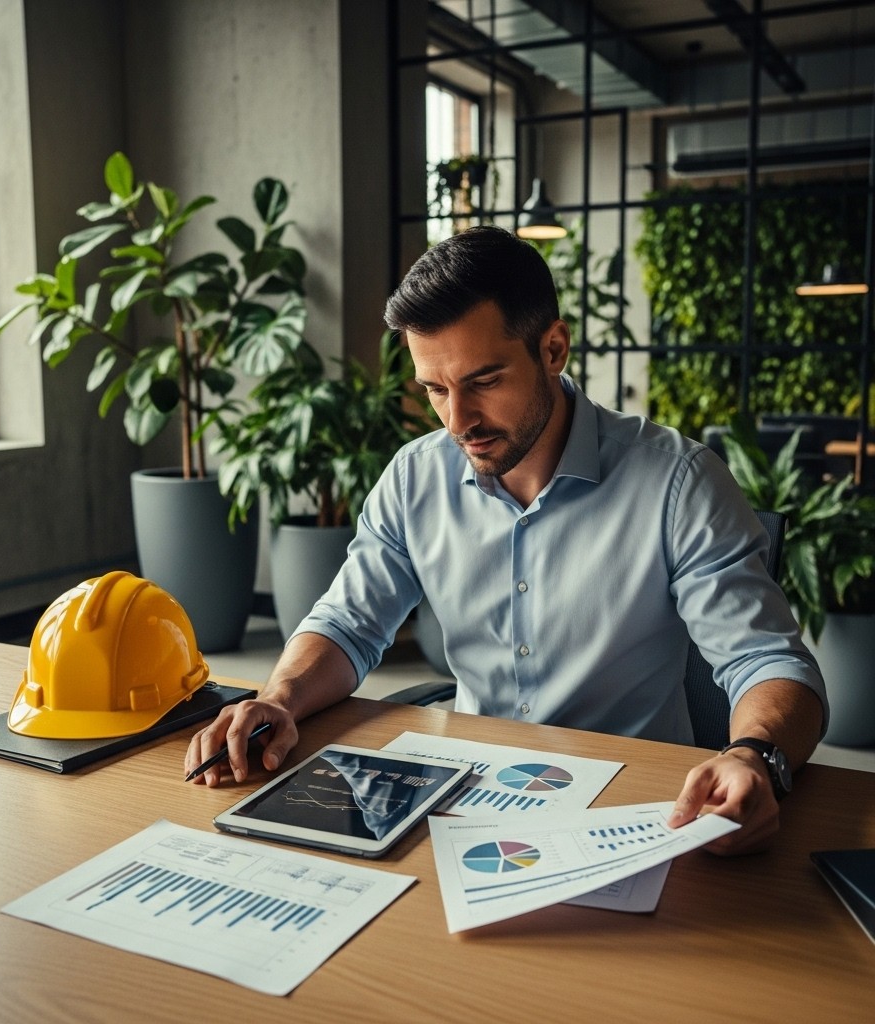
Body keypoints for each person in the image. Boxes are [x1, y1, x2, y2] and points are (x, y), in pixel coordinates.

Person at [185, 225, 827, 856]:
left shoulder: (678, 482)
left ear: (553, 349)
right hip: (466, 802)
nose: (457, 421)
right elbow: (349, 624)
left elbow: (770, 663)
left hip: (634, 816)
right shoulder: (415, 476)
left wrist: (756, 756)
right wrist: (277, 699)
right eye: (435, 389)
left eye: (483, 381)